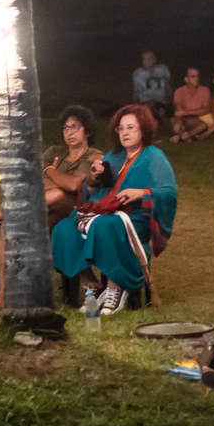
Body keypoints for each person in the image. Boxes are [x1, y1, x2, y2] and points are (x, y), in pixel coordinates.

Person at [51, 104, 178, 317]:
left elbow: (169, 193)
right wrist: (93, 178)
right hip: (105, 214)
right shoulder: (113, 156)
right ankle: (92, 285)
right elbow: (93, 192)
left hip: (133, 220)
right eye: (121, 128)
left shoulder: (154, 157)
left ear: (143, 129)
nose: (125, 133)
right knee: (64, 228)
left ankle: (115, 289)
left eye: (131, 128)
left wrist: (141, 193)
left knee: (105, 225)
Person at [42, 105, 104, 226]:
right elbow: (32, 178)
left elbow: (74, 185)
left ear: (87, 131)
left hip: (75, 207)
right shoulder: (54, 151)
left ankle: (4, 218)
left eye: (74, 127)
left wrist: (49, 170)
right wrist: (61, 182)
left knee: (57, 195)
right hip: (48, 205)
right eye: (66, 128)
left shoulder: (94, 156)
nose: (69, 132)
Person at [169, 67, 211, 143]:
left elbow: (206, 110)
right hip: (184, 121)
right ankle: (185, 135)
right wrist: (179, 122)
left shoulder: (205, 90)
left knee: (204, 125)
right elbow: (179, 111)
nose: (196, 79)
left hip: (198, 120)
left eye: (197, 76)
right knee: (174, 123)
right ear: (186, 79)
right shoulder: (179, 92)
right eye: (193, 77)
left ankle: (187, 135)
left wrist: (187, 112)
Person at [132, 50, 172, 119]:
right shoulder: (137, 73)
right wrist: (136, 107)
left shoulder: (163, 69)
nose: (147, 61)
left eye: (149, 59)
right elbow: (136, 92)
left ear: (154, 60)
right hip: (145, 102)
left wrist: (171, 101)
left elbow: (168, 86)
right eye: (144, 59)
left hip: (161, 102)